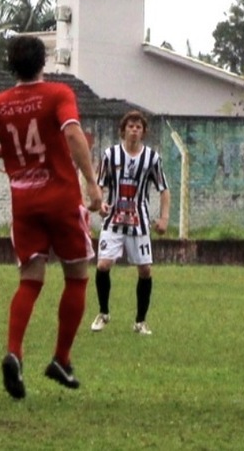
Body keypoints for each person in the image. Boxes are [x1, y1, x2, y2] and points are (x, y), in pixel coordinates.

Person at [0, 35, 103, 399]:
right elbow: (72, 133)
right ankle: (61, 358)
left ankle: (14, 351)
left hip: (24, 203)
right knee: (76, 276)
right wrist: (92, 183)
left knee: (30, 280)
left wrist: (5, 152)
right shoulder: (58, 94)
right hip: (60, 198)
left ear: (11, 65)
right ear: (44, 61)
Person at [90, 110, 170, 335]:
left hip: (140, 223)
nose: (134, 130)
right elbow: (99, 185)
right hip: (113, 220)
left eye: (138, 127)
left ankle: (140, 321)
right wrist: (101, 204)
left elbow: (164, 190)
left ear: (144, 132)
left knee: (145, 270)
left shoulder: (151, 158)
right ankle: (103, 313)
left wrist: (164, 218)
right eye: (130, 126)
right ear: (123, 130)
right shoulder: (110, 155)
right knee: (103, 265)